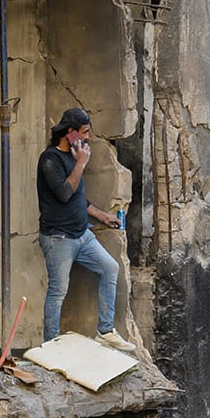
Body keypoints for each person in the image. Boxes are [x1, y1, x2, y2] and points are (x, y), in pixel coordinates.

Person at [37, 107, 134, 352]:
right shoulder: (50, 159)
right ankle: (50, 345)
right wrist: (81, 163)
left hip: (82, 235)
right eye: (84, 132)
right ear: (70, 132)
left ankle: (105, 330)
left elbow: (79, 197)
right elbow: (64, 193)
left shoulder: (72, 156)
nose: (87, 138)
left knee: (110, 268)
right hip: (59, 238)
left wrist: (103, 216)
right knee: (58, 291)